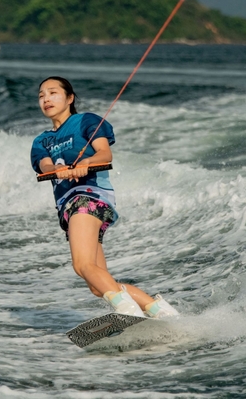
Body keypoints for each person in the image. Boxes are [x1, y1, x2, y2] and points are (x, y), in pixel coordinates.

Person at [30, 76, 179, 319]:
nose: (46, 99)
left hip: (88, 198)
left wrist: (85, 163)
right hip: (70, 207)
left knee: (82, 265)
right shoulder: (42, 140)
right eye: (41, 95)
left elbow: (104, 154)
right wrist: (59, 169)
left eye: (53, 93)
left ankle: (127, 310)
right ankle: (160, 311)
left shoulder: (85, 121)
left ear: (70, 98)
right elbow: (45, 166)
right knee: (97, 285)